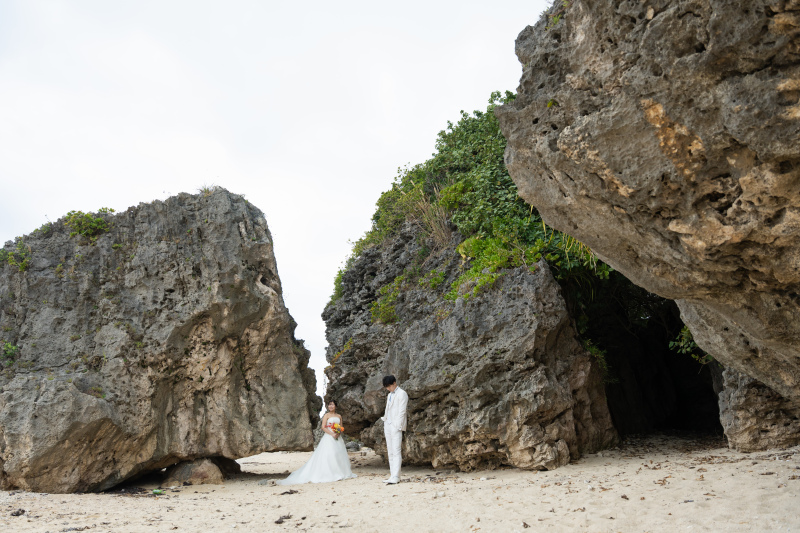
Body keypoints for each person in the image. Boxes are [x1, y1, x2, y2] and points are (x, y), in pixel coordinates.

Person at [276, 400, 356, 485]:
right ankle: (330, 473)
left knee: (338, 454)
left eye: (332, 405)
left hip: (338, 437)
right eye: (329, 405)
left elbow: (341, 427)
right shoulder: (326, 415)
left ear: (335, 406)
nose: (331, 406)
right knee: (329, 455)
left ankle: (341, 472)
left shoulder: (339, 416)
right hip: (329, 437)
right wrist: (332, 434)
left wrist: (338, 433)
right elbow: (323, 427)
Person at [381, 375, 408, 485]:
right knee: (390, 451)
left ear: (394, 383)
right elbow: (388, 409)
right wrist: (385, 420)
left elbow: (402, 411)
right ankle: (392, 475)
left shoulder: (402, 393)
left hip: (396, 425)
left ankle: (397, 476)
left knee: (396, 451)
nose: (388, 389)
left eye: (389, 386)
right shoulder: (389, 395)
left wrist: (397, 425)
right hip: (388, 424)